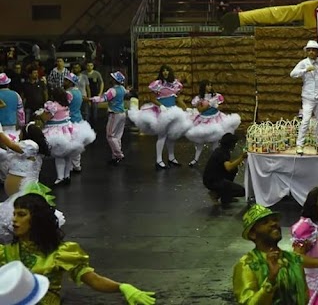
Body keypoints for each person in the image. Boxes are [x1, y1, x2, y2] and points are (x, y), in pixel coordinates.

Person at [1, 193, 156, 305]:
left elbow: (93, 280)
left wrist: (122, 287)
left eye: (21, 214)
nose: (14, 219)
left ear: (37, 219)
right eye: (14, 214)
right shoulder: (5, 252)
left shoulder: (61, 253)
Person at [233, 203, 309, 304]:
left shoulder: (293, 259)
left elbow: (304, 296)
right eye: (265, 222)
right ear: (252, 234)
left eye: (275, 220)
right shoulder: (247, 265)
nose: (274, 224)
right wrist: (271, 279)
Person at [127, 65, 191, 169]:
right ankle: (159, 160)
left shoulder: (175, 84)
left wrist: (186, 108)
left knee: (171, 136)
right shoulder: (157, 84)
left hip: (173, 111)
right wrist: (161, 105)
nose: (165, 72)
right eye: (163, 71)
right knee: (162, 136)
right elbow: (152, 98)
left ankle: (171, 158)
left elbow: (178, 99)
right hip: (161, 112)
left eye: (167, 70)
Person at [38, 88, 87, 185]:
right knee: (67, 155)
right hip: (67, 131)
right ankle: (67, 176)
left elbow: (46, 117)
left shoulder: (52, 106)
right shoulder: (66, 104)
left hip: (56, 132)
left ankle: (60, 178)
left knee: (59, 155)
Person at [185, 80, 241, 166]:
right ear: (203, 87)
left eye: (210, 85)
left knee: (215, 140)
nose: (209, 87)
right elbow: (200, 110)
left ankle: (214, 161)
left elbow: (220, 105)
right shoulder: (199, 98)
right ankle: (195, 159)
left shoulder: (216, 96)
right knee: (200, 141)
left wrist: (216, 105)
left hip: (215, 118)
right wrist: (208, 105)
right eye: (207, 85)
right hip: (203, 119)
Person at [90, 71, 129, 165]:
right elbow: (127, 92)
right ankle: (115, 157)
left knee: (110, 136)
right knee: (117, 136)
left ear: (115, 80)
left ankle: (119, 155)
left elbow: (103, 98)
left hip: (114, 114)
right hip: (122, 113)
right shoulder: (122, 89)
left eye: (112, 78)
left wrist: (90, 99)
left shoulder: (112, 90)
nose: (110, 79)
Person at [202, 133, 246, 206]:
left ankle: (226, 196)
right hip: (212, 181)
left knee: (234, 170)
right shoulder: (221, 153)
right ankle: (216, 194)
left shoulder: (221, 150)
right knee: (242, 191)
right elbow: (229, 167)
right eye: (234, 144)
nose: (235, 146)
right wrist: (242, 157)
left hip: (214, 178)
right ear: (230, 144)